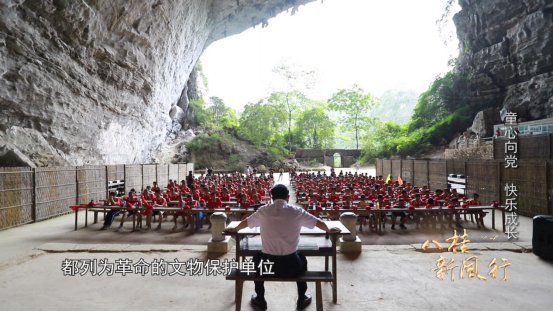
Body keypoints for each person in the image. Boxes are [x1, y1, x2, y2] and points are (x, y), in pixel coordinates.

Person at [226, 184, 341, 310]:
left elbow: (246, 222)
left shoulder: (263, 211)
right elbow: (318, 223)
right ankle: (302, 297)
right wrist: (329, 229)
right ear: (288, 197)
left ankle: (260, 298)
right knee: (301, 257)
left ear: (271, 197)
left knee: (257, 258)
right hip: (292, 267)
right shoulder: (297, 211)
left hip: (266, 268)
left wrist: (235, 228)